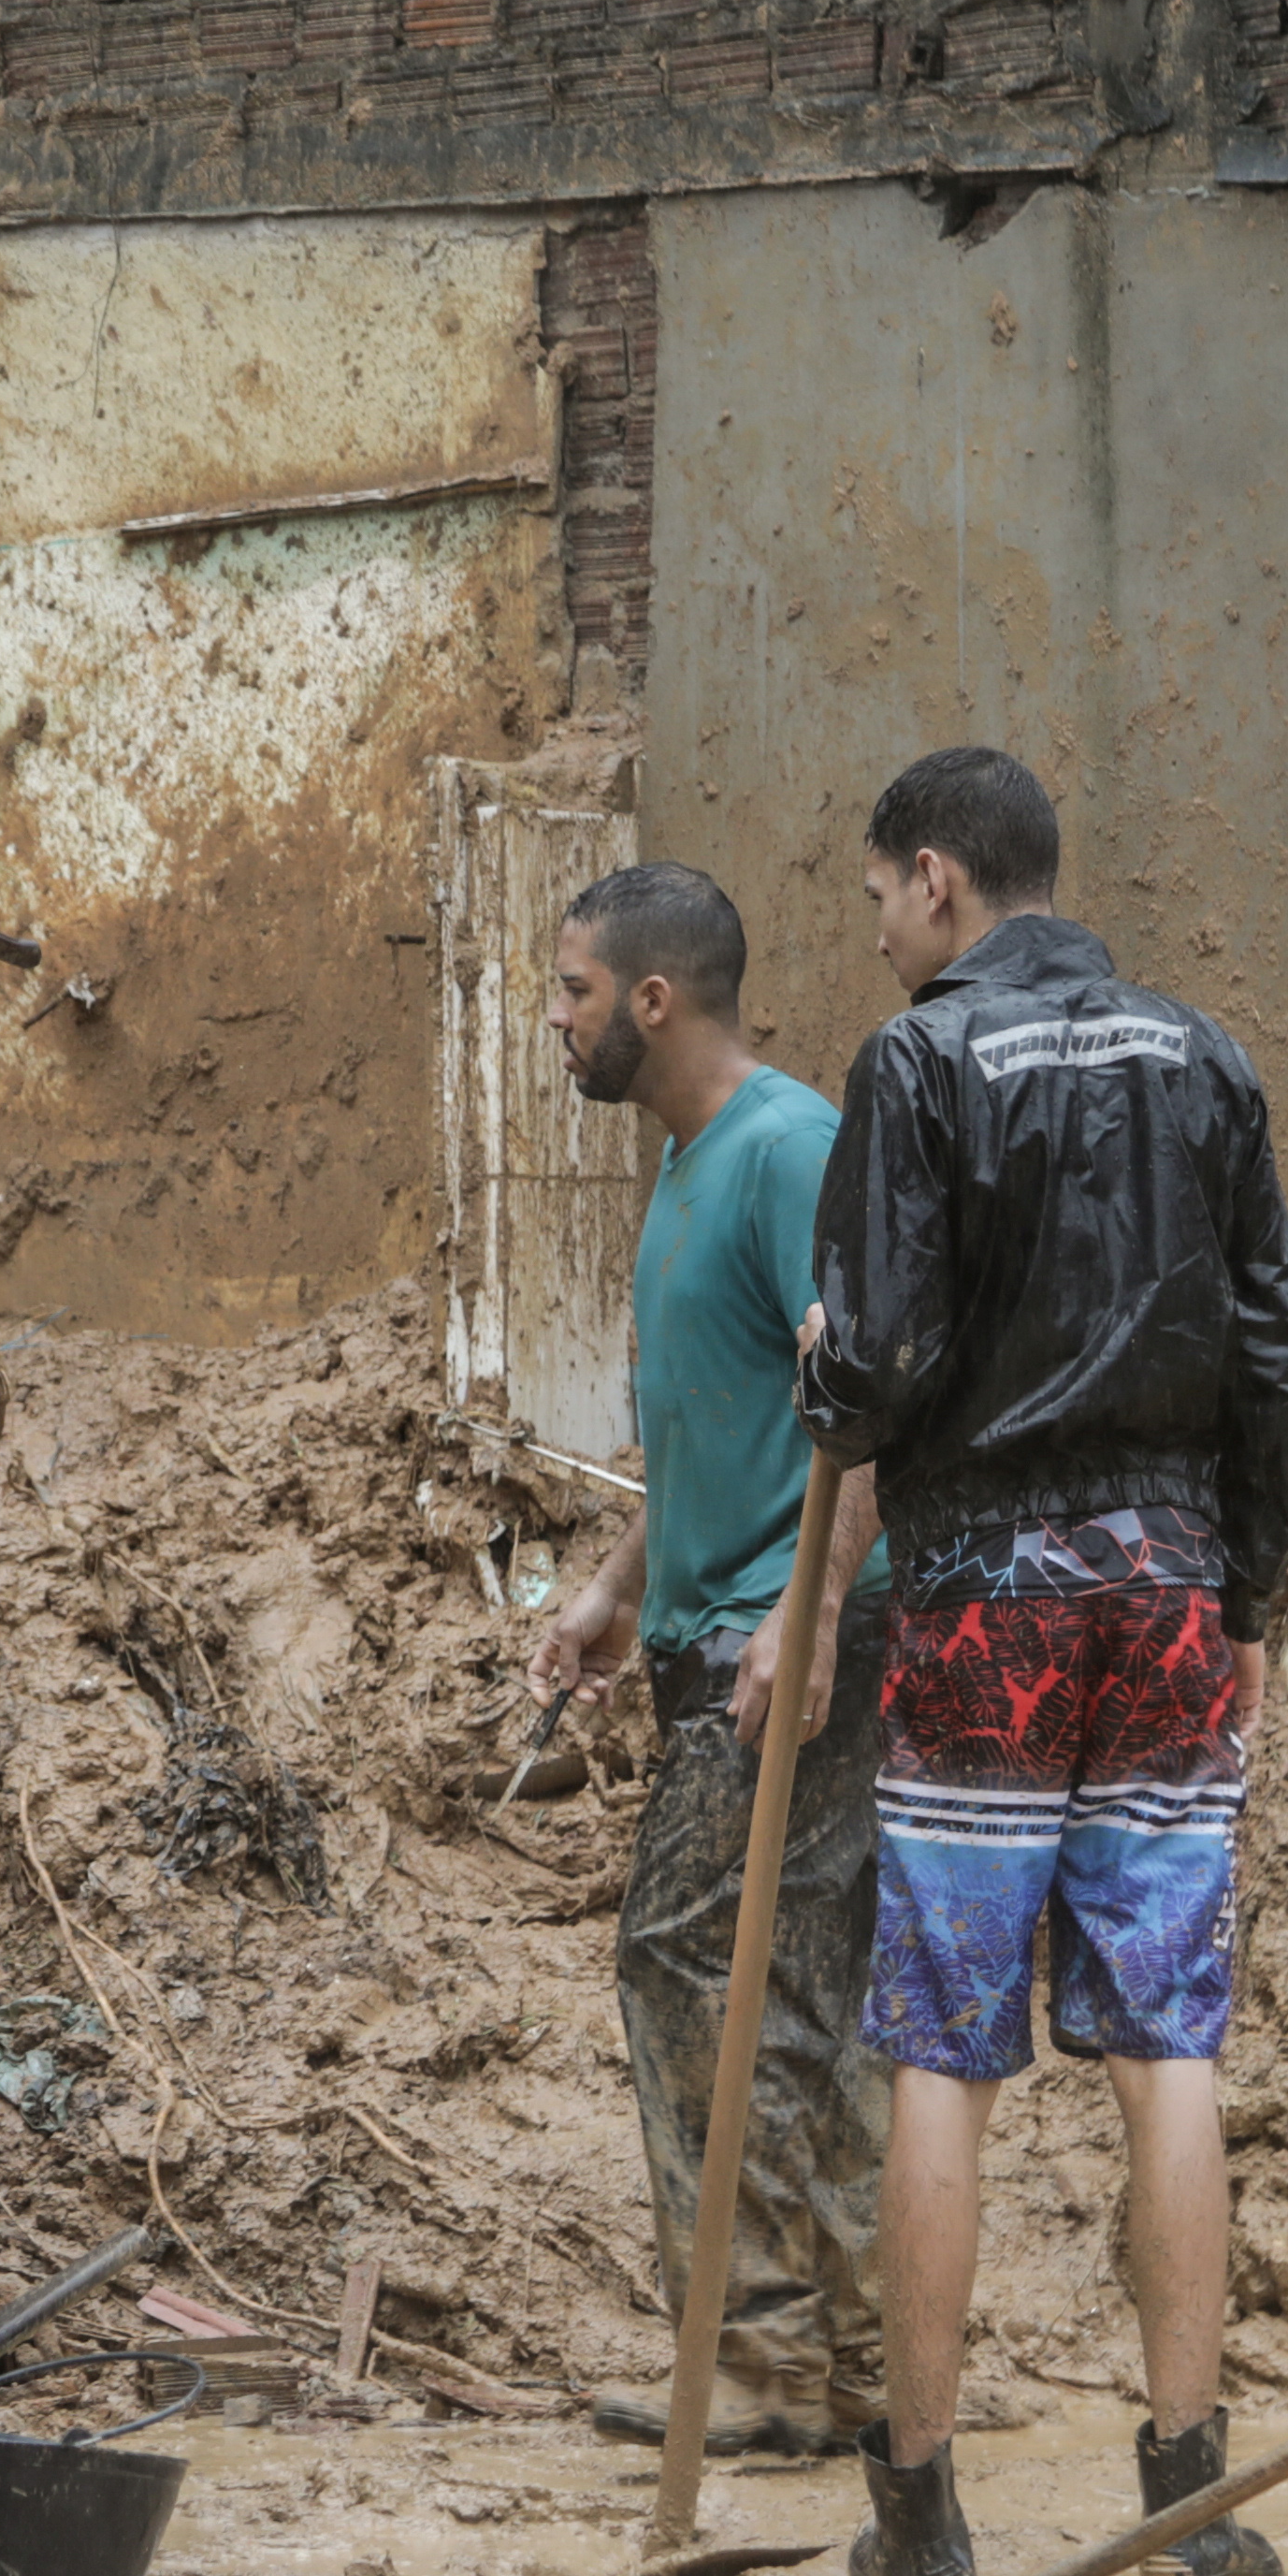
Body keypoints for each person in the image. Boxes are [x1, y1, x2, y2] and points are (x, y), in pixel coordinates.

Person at [793, 747, 1288, 2576]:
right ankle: (1188, 2495)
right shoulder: (1205, 1057)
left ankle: (922, 2516)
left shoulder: (921, 1066)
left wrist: (821, 1362)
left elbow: (873, 1371)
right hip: (1172, 1586)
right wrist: (1245, 1587)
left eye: (875, 901)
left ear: (939, 880)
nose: (877, 940)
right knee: (1168, 2041)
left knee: (947, 2044)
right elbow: (1278, 1349)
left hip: (986, 1597)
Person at [529, 865, 893, 2465]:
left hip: (794, 1639)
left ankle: (760, 2360)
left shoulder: (785, 1149)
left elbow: (873, 1404)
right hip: (714, 1631)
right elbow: (714, 1427)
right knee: (792, 1986)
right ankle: (847, 2366)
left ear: (653, 1002)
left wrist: (804, 1615)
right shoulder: (687, 1167)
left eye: (573, 992)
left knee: (686, 1959)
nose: (558, 1023)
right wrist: (620, 1585)